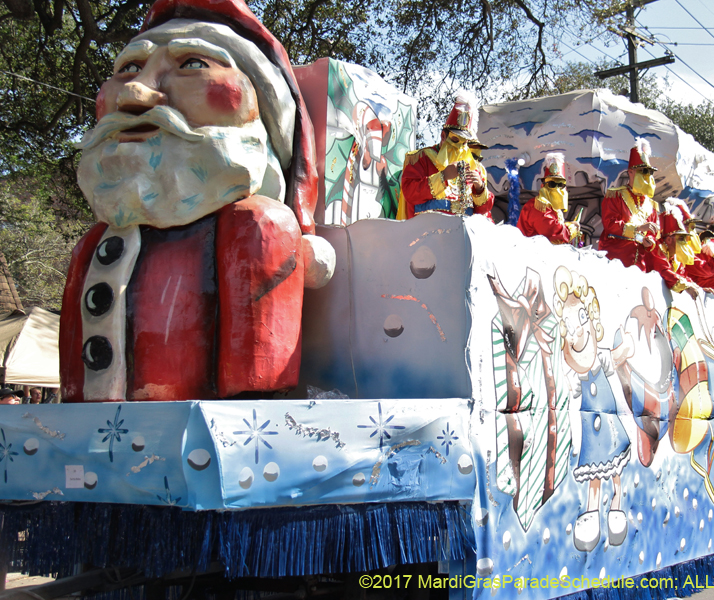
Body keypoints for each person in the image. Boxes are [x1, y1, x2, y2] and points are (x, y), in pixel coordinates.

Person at [59, 0, 335, 402]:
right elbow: (73, 387)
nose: (135, 93)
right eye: (129, 69)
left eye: (191, 64)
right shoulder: (93, 243)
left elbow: (255, 395)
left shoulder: (257, 226)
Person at [399, 92, 493, 220]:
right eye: (455, 140)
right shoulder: (421, 158)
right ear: (443, 136)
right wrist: (443, 177)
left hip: (461, 234)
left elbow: (484, 212)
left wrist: (480, 188)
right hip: (428, 233)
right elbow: (410, 193)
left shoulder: (476, 168)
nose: (459, 147)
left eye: (464, 143)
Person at [598, 140, 660, 271]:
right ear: (630, 172)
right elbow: (610, 225)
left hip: (640, 265)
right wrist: (638, 228)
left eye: (649, 172)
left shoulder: (652, 205)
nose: (647, 175)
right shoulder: (615, 196)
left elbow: (653, 236)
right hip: (616, 262)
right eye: (642, 171)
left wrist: (649, 241)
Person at [516, 153, 580, 244]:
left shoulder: (554, 209)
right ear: (543, 185)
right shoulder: (537, 205)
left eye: (560, 185)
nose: (556, 189)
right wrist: (572, 228)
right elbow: (552, 232)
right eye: (552, 184)